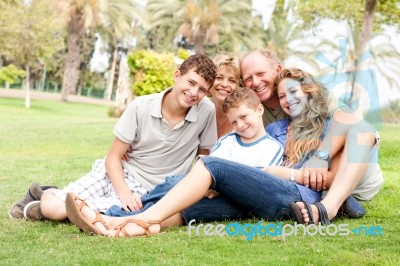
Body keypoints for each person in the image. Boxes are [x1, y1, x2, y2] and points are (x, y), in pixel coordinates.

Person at [64, 68, 383, 237]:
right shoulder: (276, 130)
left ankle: (133, 217)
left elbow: (336, 169)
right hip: (268, 195)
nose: (286, 100)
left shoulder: (331, 124)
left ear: (310, 91)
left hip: (295, 195)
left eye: (293, 93)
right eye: (282, 96)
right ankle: (122, 226)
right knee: (197, 207)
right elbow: (246, 145)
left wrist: (291, 173)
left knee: (211, 167)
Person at [9, 54, 218, 221]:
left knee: (83, 213)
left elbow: (203, 158)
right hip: (115, 175)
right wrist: (124, 193)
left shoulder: (206, 112)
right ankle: (46, 192)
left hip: (147, 192)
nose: (193, 92)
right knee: (55, 209)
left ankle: (45, 204)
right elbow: (113, 158)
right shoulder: (141, 106)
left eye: (202, 89)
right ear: (177, 75)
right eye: (191, 82)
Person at [105, 87, 283, 216]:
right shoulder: (228, 141)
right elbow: (209, 166)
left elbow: (257, 181)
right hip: (206, 189)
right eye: (234, 122)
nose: (240, 125)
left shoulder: (273, 148)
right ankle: (132, 210)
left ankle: (118, 215)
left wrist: (218, 188)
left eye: (244, 117)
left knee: (188, 206)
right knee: (176, 182)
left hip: (232, 199)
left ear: (259, 110)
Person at [209, 54, 243, 138]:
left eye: (232, 80)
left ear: (239, 86)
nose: (224, 84)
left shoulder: (244, 119)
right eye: (219, 78)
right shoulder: (199, 110)